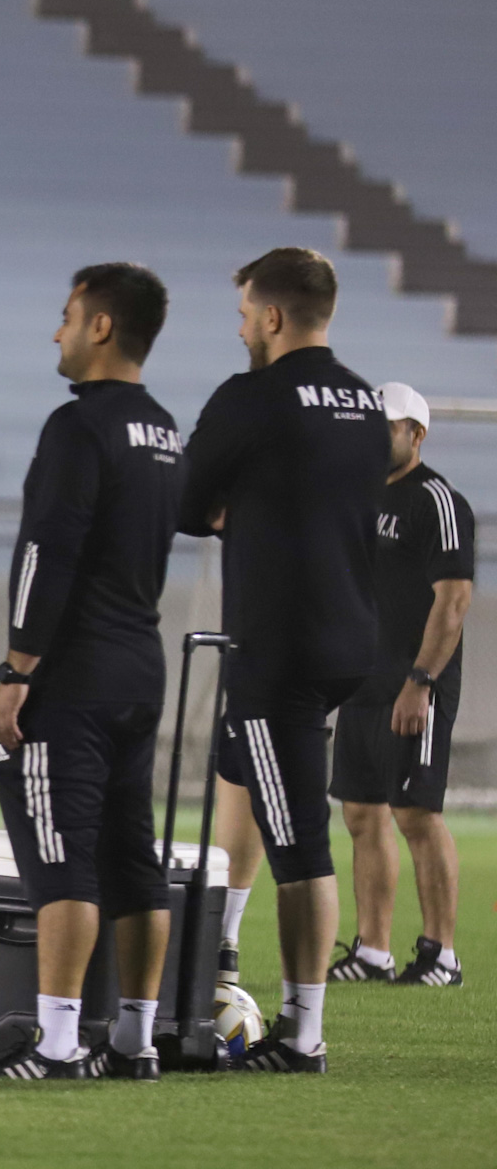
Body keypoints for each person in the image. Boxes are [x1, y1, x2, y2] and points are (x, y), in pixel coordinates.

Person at [179, 247, 389, 1073]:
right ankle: (221, 944)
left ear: (271, 317)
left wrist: (232, 509)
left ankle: (302, 1035)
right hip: (348, 635)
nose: (240, 329)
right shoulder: (364, 403)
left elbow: (187, 502)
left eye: (242, 316)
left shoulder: (253, 397)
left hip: (280, 645)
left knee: (301, 842)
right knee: (242, 764)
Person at [0, 263, 183, 1081]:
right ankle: (134, 1039)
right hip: (142, 664)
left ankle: (60, 1045)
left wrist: (17, 667)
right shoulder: (166, 430)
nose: (56, 331)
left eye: (66, 316)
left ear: (101, 327)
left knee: (62, 854)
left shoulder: (77, 429)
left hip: (76, 673)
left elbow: (44, 552)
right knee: (135, 859)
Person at [326, 384, 472, 987]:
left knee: (415, 813)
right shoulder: (355, 498)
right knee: (362, 813)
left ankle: (441, 954)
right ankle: (374, 952)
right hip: (361, 682)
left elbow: (455, 598)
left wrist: (421, 680)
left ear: (417, 433)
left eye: (387, 426)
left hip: (414, 687)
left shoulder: (437, 500)